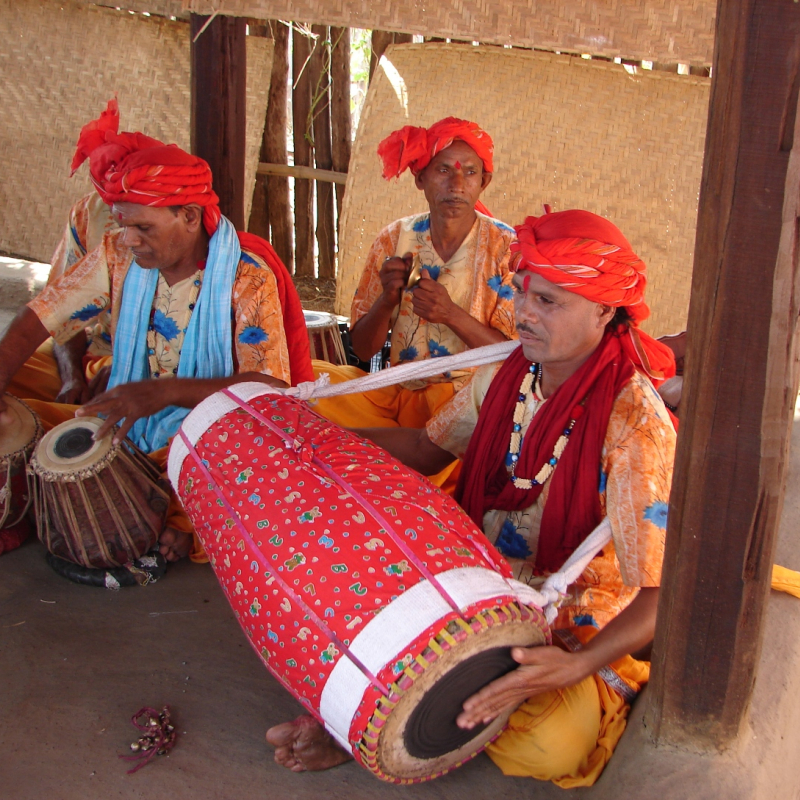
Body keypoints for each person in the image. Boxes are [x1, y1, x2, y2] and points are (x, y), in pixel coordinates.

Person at [266, 208, 679, 787]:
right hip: (476, 574)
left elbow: (662, 594)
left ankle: (388, 718)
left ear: (605, 310)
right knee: (338, 574)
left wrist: (576, 665)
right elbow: (424, 448)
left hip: (568, 613)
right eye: (522, 294)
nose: (524, 315)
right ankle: (386, 725)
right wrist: (313, 435)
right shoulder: (510, 374)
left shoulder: (636, 424)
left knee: (547, 748)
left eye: (549, 302)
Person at [0, 99, 313, 563]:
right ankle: (174, 508)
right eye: (124, 224)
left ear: (189, 216)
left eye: (142, 227)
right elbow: (39, 317)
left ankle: (190, 518)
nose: (129, 238)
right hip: (134, 410)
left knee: (258, 457)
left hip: (210, 429)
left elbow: (268, 388)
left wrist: (159, 394)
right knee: (25, 406)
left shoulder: (246, 275)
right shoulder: (118, 253)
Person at [310, 118, 517, 489]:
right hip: (397, 392)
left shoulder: (506, 250)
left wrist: (450, 315)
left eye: (470, 172)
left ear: (483, 182)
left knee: (429, 463)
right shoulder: (395, 238)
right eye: (443, 170)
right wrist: (387, 301)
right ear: (420, 177)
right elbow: (361, 348)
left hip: (464, 404)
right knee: (307, 385)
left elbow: (517, 357)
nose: (456, 185)